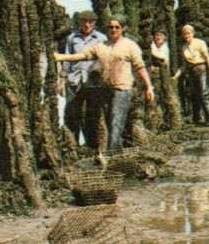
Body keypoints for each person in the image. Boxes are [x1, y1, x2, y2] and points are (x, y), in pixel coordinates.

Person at [53, 18, 155, 151]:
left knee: (116, 123)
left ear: (122, 29)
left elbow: (140, 67)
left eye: (117, 27)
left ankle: (114, 156)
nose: (113, 29)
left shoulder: (130, 46)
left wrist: (149, 87)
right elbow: (82, 55)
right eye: (111, 27)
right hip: (105, 90)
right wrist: (61, 57)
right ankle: (114, 153)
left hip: (122, 90)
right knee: (108, 123)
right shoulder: (102, 46)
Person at [61, 10, 106, 150]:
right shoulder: (72, 38)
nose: (87, 25)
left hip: (93, 82)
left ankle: (92, 146)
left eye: (90, 22)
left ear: (94, 23)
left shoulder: (101, 39)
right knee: (72, 113)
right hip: (74, 80)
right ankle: (72, 145)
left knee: (92, 114)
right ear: (80, 22)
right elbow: (67, 59)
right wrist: (62, 79)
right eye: (84, 22)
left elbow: (105, 60)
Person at [175, 23, 209, 126]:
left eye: (188, 33)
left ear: (192, 34)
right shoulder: (184, 48)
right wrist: (175, 76)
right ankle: (196, 119)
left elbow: (207, 57)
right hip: (191, 72)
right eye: (185, 34)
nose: (187, 36)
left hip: (202, 70)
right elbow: (184, 66)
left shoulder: (200, 43)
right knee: (193, 96)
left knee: (203, 95)